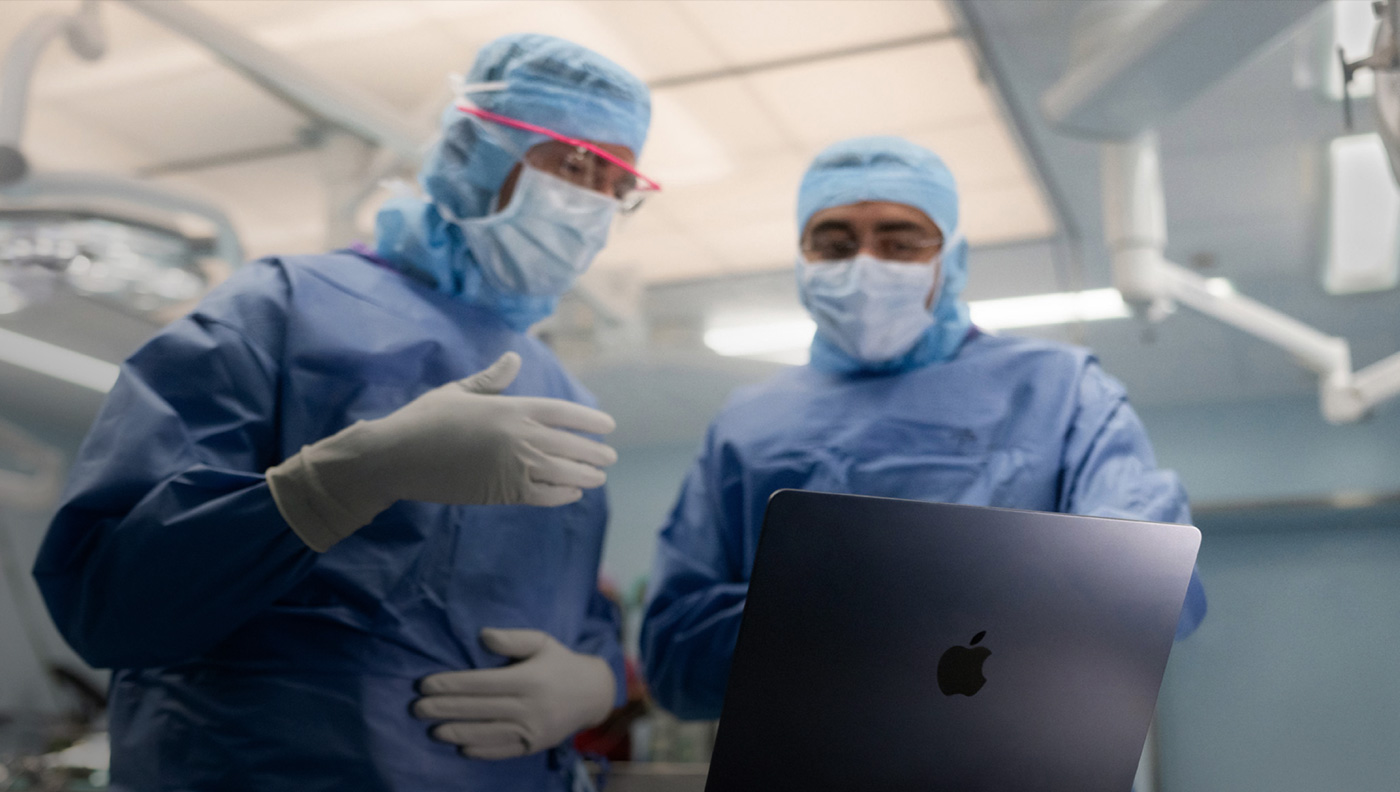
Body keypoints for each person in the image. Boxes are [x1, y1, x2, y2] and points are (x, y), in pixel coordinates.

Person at [32, 34, 654, 792]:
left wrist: (594, 681)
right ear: (476, 145)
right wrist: (349, 480)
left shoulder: (565, 397)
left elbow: (575, 607)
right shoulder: (280, 311)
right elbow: (111, 605)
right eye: (569, 158)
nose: (587, 196)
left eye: (613, 177)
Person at [639, 136, 1207, 720]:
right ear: (801, 259)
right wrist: (833, 615)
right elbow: (673, 662)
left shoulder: (1060, 391)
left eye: (900, 242)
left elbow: (1150, 588)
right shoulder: (745, 426)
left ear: (951, 259)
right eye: (833, 244)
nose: (864, 264)